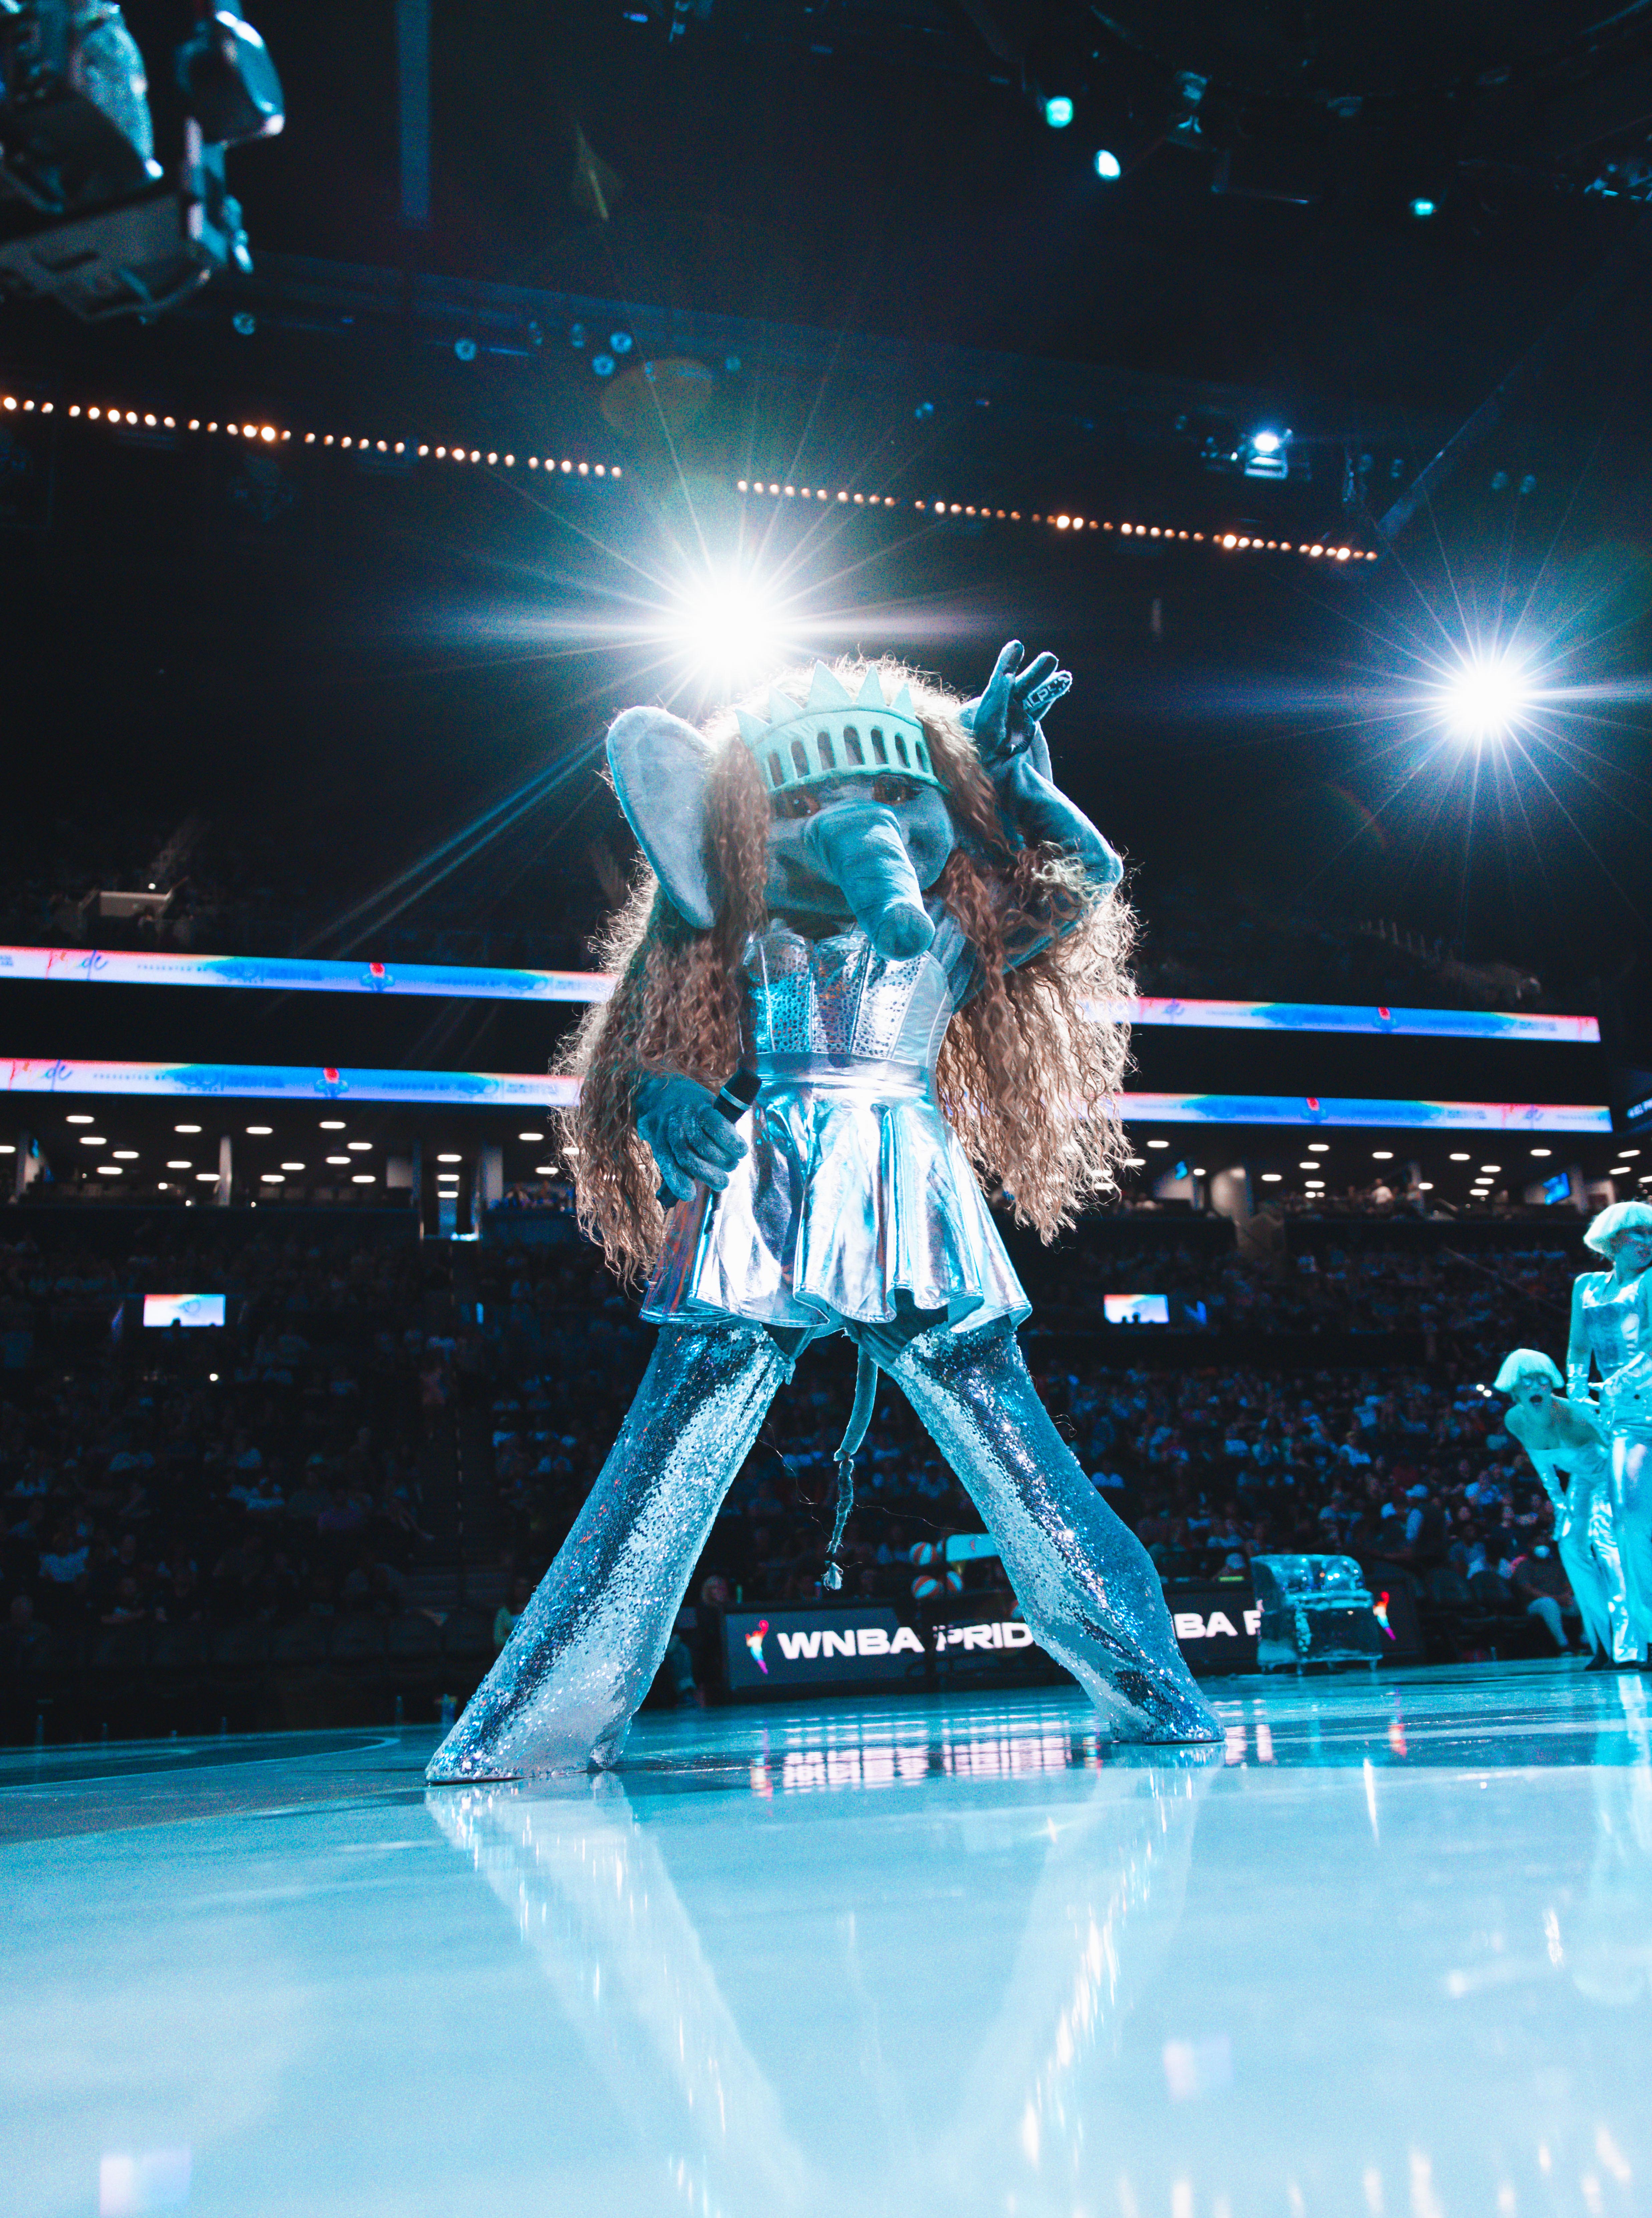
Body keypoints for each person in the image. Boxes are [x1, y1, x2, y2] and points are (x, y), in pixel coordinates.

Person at [427, 644, 1220, 1781]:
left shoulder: (950, 937)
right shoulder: (730, 941)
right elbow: (654, 1052)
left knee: (1015, 1459)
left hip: (902, 1185)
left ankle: (1150, 1687)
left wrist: (1025, 784)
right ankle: (533, 1719)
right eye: (812, 804)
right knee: (667, 1463)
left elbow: (1084, 874)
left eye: (900, 797)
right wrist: (664, 1092)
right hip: (769, 1180)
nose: (865, 827)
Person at [1497, 1347, 1635, 1666]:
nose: (1535, 1387)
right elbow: (1542, 1464)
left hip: (1608, 1476)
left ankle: (1631, 1644)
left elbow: (1616, 1451)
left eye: (1542, 1380)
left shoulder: (1573, 1415)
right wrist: (1560, 1505)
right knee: (1571, 1546)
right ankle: (1602, 1642)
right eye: (1526, 1382)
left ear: (1551, 1383)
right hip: (1581, 1482)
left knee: (1608, 1550)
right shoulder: (1515, 1419)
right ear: (1514, 1388)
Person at [1568, 1201, 1652, 1655]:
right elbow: (1578, 1350)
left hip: (1639, 1403)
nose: (1648, 1243)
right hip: (1625, 1422)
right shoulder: (1586, 1287)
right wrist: (1581, 1395)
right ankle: (1649, 1636)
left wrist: (1613, 1383)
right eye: (1639, 1234)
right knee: (1628, 1522)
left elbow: (1651, 1347)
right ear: (1614, 1238)